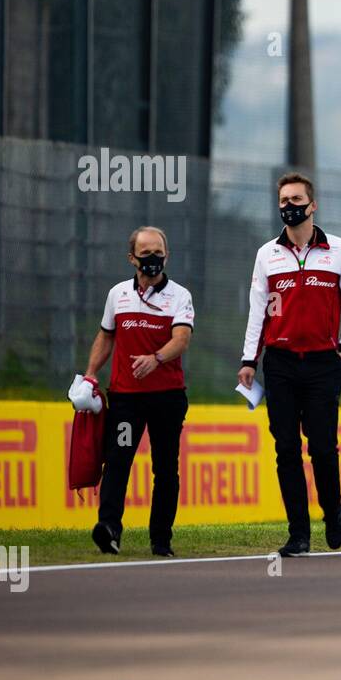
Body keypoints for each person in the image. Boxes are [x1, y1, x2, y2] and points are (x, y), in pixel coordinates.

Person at [239, 172, 341, 557]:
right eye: (284, 202)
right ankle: (298, 533)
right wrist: (249, 360)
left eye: (297, 200)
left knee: (323, 446)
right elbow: (257, 310)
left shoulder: (339, 250)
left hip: (325, 363)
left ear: (312, 205)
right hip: (280, 362)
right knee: (286, 447)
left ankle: (333, 512)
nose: (290, 207)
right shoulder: (266, 254)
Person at [84, 226, 194, 557]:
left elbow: (182, 339)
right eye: (145, 254)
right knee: (117, 461)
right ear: (132, 258)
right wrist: (90, 374)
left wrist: (156, 358)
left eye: (158, 252)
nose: (153, 259)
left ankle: (161, 539)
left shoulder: (180, 295)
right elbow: (106, 336)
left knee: (164, 467)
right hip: (125, 399)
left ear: (167, 254)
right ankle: (109, 528)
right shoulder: (117, 294)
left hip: (167, 398)